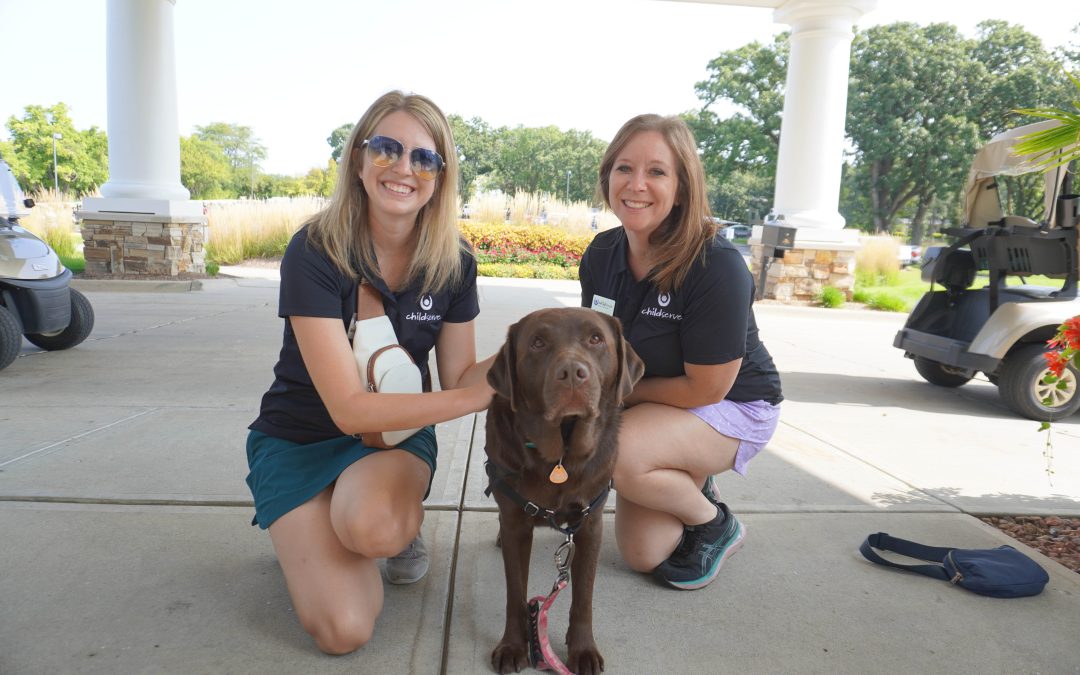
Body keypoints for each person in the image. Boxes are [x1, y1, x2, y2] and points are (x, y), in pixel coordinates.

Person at [246, 91, 493, 654]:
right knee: (344, 631)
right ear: (358, 160)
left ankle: (372, 517)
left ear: (440, 175)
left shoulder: (454, 262)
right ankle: (310, 521)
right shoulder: (315, 249)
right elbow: (351, 408)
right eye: (386, 149)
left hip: (392, 441)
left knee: (375, 529)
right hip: (299, 436)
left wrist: (541, 344)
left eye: (423, 158)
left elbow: (460, 375)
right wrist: (470, 403)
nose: (404, 168)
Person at [578, 114, 783, 591]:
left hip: (732, 406)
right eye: (624, 168)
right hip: (657, 403)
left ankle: (714, 522)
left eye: (657, 172)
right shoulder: (602, 253)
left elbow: (708, 386)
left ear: (683, 186)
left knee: (615, 452)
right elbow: (596, 346)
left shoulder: (716, 265)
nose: (636, 185)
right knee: (645, 554)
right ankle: (682, 468)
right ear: (607, 175)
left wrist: (611, 399)